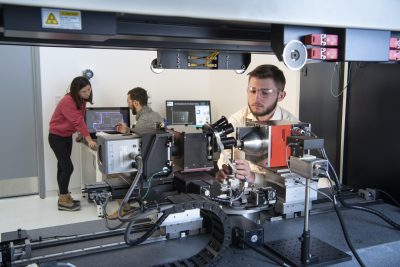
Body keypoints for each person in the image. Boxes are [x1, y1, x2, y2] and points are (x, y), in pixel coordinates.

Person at [216, 64, 298, 186]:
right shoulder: (237, 120)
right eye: (252, 91)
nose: (256, 98)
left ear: (281, 96)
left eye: (265, 93)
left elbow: (294, 180)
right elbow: (225, 156)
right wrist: (229, 170)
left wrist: (253, 177)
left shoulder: (293, 127)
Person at [108, 87, 162, 220]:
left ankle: (125, 208)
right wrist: (128, 130)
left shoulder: (143, 120)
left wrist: (127, 131)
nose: (128, 104)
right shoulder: (155, 115)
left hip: (144, 163)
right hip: (156, 161)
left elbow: (135, 140)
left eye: (129, 101)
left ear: (136, 103)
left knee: (113, 169)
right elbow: (141, 136)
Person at [48, 76, 96, 211]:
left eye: (88, 90)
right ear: (76, 91)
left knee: (62, 167)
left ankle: (63, 196)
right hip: (56, 137)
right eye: (84, 92)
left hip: (66, 136)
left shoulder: (81, 100)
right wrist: (89, 139)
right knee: (68, 168)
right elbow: (77, 121)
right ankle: (63, 199)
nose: (87, 94)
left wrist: (80, 135)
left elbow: (79, 118)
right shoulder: (67, 101)